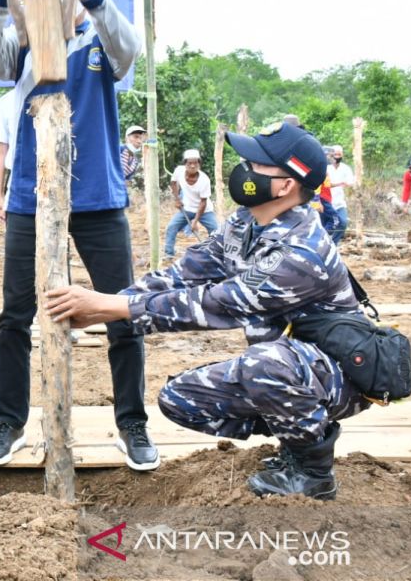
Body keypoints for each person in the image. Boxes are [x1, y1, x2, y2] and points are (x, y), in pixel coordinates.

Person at [47, 121, 372, 501]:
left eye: (256, 165)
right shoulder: (245, 222)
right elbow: (186, 273)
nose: (244, 170)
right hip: (287, 366)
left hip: (340, 376)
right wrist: (112, 305)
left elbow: (218, 303)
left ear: (285, 185)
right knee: (179, 399)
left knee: (266, 365)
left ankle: (313, 468)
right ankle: (293, 433)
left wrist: (114, 306)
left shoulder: (302, 251)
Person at [0, 0, 155, 470]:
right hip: (31, 197)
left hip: (98, 199)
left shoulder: (102, 38)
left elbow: (130, 48)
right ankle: (7, 421)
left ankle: (132, 423)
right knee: (15, 316)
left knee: (123, 313)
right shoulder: (27, 44)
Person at [164, 149, 218, 259]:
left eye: (196, 163)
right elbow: (173, 183)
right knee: (171, 227)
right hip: (187, 208)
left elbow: (203, 203)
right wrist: (177, 199)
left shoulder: (204, 180)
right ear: (185, 164)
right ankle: (169, 254)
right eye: (190, 163)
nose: (193, 166)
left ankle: (216, 254)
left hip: (204, 211)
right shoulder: (179, 171)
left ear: (199, 164)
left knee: (216, 231)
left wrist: (195, 222)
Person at [0, 89, 19, 223]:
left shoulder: (63, 94)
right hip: (17, 180)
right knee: (19, 240)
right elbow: (1, 151)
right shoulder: (7, 101)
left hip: (55, 177)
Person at [325, 145, 355, 243]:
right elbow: (326, 184)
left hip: (339, 202)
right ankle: (324, 244)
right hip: (326, 201)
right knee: (325, 225)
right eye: (335, 154)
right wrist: (341, 183)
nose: (337, 156)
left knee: (343, 223)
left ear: (342, 155)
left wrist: (349, 183)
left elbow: (351, 181)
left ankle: (333, 244)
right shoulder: (326, 167)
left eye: (339, 154)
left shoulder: (346, 168)